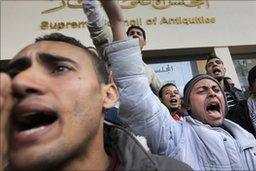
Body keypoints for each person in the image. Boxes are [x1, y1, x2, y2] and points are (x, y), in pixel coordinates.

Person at [0, 7, 194, 171]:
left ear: (109, 93)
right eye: (15, 72)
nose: (20, 82)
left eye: (60, 68)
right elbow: (99, 32)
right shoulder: (109, 52)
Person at [100, 2, 256, 169]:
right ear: (188, 105)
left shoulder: (247, 137)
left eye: (215, 89)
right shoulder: (176, 135)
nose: (212, 94)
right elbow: (137, 94)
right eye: (202, 90)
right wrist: (117, 23)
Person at [82, 0, 163, 94]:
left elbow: (164, 90)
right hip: (111, 104)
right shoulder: (113, 50)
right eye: (131, 33)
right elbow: (98, 28)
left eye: (139, 34)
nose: (135, 35)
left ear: (144, 42)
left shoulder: (149, 72)